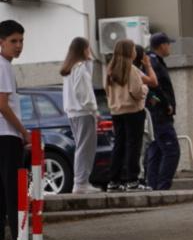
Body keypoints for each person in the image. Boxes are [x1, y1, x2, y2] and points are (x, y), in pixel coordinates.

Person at [104, 38, 149, 192]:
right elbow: (137, 91)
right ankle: (132, 180)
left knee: (119, 145)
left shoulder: (110, 69)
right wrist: (145, 89)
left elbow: (107, 91)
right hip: (133, 111)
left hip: (116, 112)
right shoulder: (131, 69)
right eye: (133, 49)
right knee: (133, 145)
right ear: (130, 52)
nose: (136, 51)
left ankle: (114, 181)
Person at [59, 36, 98, 193]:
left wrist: (89, 59)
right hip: (83, 112)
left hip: (73, 113)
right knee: (85, 148)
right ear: (83, 50)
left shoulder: (71, 68)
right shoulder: (79, 68)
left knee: (82, 147)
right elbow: (84, 92)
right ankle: (81, 183)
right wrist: (94, 109)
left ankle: (81, 182)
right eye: (88, 48)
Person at [142, 33, 180, 190]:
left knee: (156, 152)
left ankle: (153, 187)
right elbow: (153, 89)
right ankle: (162, 188)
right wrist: (164, 105)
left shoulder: (154, 61)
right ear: (162, 45)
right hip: (160, 116)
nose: (170, 47)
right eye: (168, 44)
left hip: (158, 115)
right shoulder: (153, 63)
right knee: (172, 151)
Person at [0, 19, 25, 240]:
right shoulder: (4, 65)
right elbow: (3, 105)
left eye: (21, 41)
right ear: (1, 42)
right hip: (7, 136)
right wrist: (23, 131)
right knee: (13, 193)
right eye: (13, 41)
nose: (18, 46)